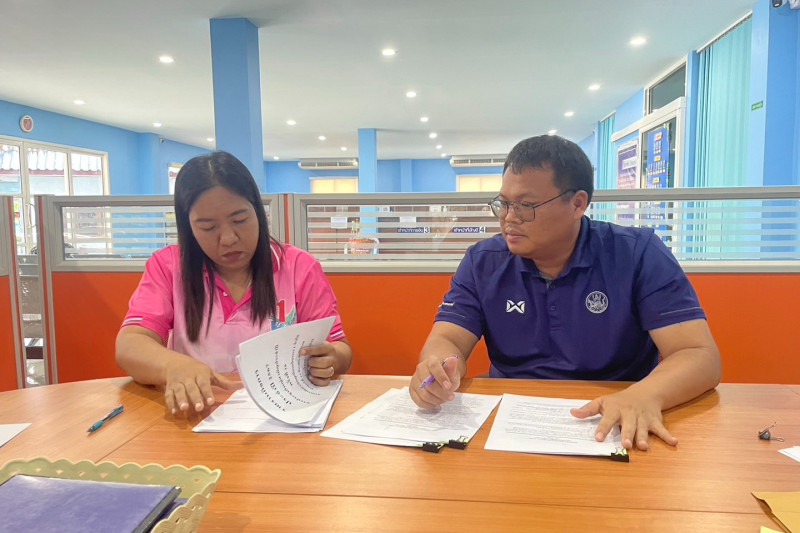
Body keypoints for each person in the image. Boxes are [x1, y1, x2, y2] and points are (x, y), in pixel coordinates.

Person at [409, 135, 720, 451]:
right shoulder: (483, 261)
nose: (509, 218)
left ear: (577, 204)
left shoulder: (636, 253)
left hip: (615, 417)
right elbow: (448, 339)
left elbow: (698, 354)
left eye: (526, 205)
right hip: (513, 421)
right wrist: (440, 367)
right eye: (504, 203)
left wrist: (644, 395)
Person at [116, 151, 352, 416]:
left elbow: (340, 348)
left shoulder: (299, 267)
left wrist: (331, 359)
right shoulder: (168, 267)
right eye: (208, 227)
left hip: (283, 415)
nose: (228, 238)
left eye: (240, 220)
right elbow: (130, 344)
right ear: (188, 226)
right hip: (199, 415)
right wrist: (172, 366)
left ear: (258, 212)